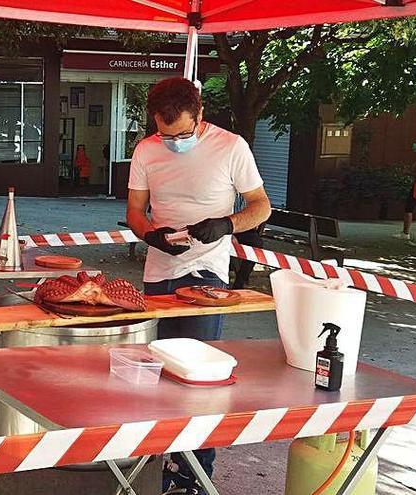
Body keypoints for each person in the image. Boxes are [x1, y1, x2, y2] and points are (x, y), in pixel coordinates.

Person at [125, 77, 271, 491]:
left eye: (183, 134)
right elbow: (136, 210)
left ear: (201, 114)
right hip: (158, 273)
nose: (173, 141)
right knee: (153, 374)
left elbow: (261, 206)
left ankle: (194, 473)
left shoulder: (231, 147)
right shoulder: (147, 150)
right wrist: (149, 234)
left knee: (200, 381)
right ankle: (154, 463)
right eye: (165, 134)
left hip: (208, 274)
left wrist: (226, 224)